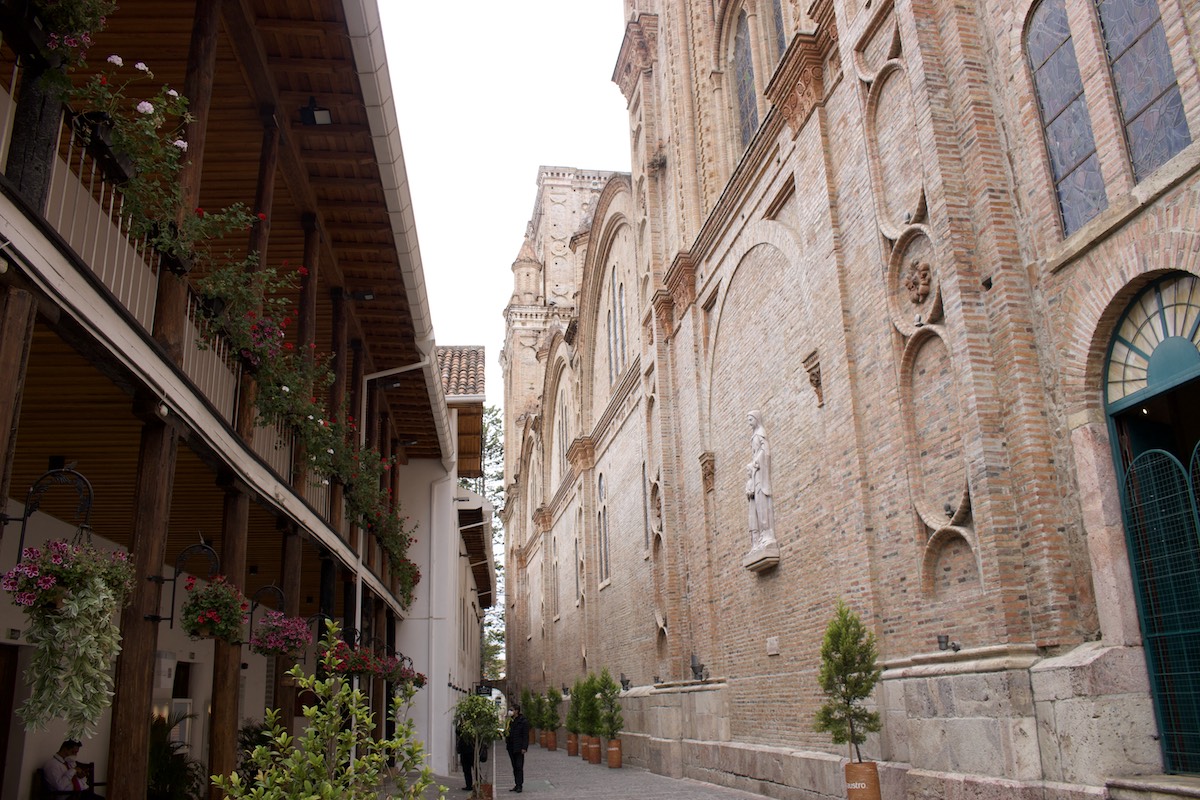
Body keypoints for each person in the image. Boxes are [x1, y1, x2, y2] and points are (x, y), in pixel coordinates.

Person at [746, 410, 776, 549]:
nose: (749, 422)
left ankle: (767, 533)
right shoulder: (754, 436)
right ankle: (762, 535)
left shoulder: (760, 434)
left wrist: (756, 463)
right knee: (758, 505)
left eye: (751, 419)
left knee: (763, 504)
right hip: (756, 474)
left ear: (756, 419)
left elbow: (765, 452)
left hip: (760, 473)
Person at [505, 704, 529, 793]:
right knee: (514, 767)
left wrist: (524, 747)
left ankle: (520, 785)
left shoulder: (523, 721)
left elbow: (525, 736)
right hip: (511, 747)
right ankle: (516, 784)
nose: (510, 711)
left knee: (519, 766)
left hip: (519, 748)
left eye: (512, 710)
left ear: (516, 711)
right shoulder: (510, 721)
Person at [456, 723, 486, 792]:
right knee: (466, 769)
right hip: (464, 750)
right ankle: (469, 785)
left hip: (472, 750)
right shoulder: (462, 725)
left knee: (476, 768)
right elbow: (457, 732)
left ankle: (478, 783)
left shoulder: (474, 725)